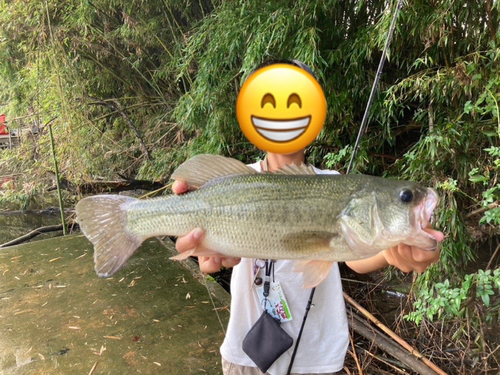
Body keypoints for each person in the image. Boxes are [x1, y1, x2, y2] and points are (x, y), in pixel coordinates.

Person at [172, 149, 444, 375]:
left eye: (404, 197)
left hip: (318, 356)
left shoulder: (334, 181)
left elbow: (354, 259)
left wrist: (391, 254)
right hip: (246, 354)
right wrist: (203, 249)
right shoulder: (232, 178)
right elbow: (199, 242)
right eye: (406, 197)